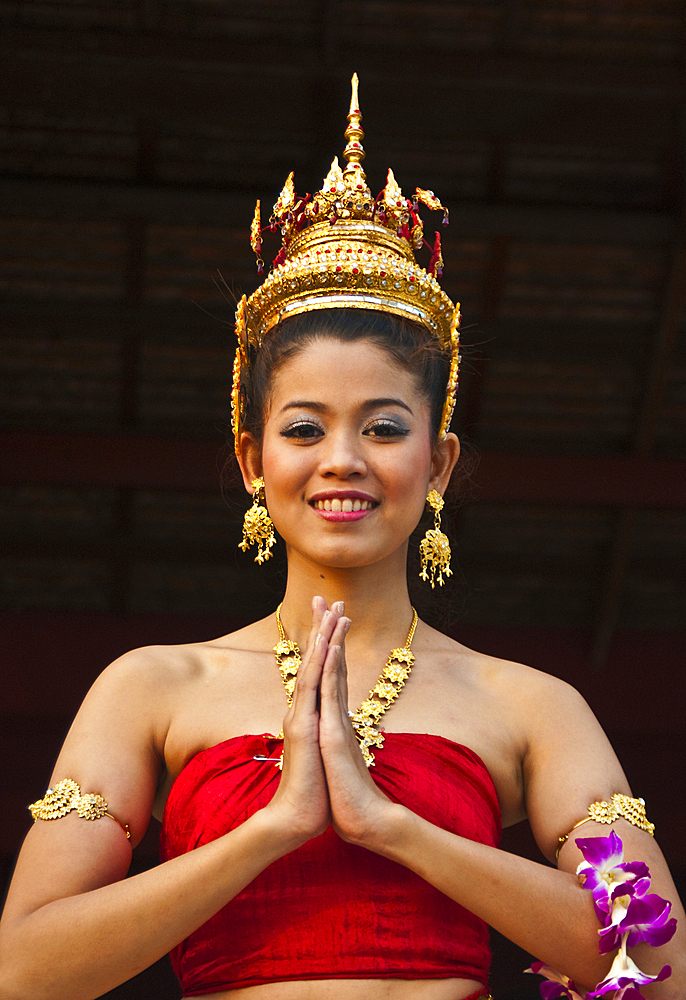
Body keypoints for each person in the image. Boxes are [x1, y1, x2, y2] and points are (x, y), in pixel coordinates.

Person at [0, 75, 683, 1000]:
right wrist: (276, 826)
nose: (343, 460)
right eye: (304, 428)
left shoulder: (530, 705)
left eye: (385, 428)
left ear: (437, 466)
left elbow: (656, 966)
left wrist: (391, 825)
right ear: (252, 460)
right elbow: (25, 970)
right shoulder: (152, 687)